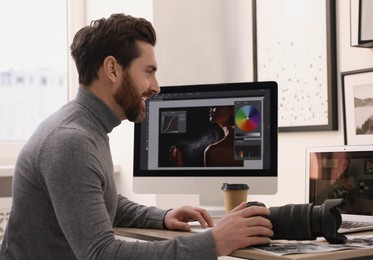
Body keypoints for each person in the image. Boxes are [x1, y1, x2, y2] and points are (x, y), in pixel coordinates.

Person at [0, 14, 273, 259]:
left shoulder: (84, 128)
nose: (155, 87)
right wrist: (214, 243)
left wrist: (162, 216)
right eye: (149, 72)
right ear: (112, 69)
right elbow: (102, 254)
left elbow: (101, 203)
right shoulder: (71, 141)